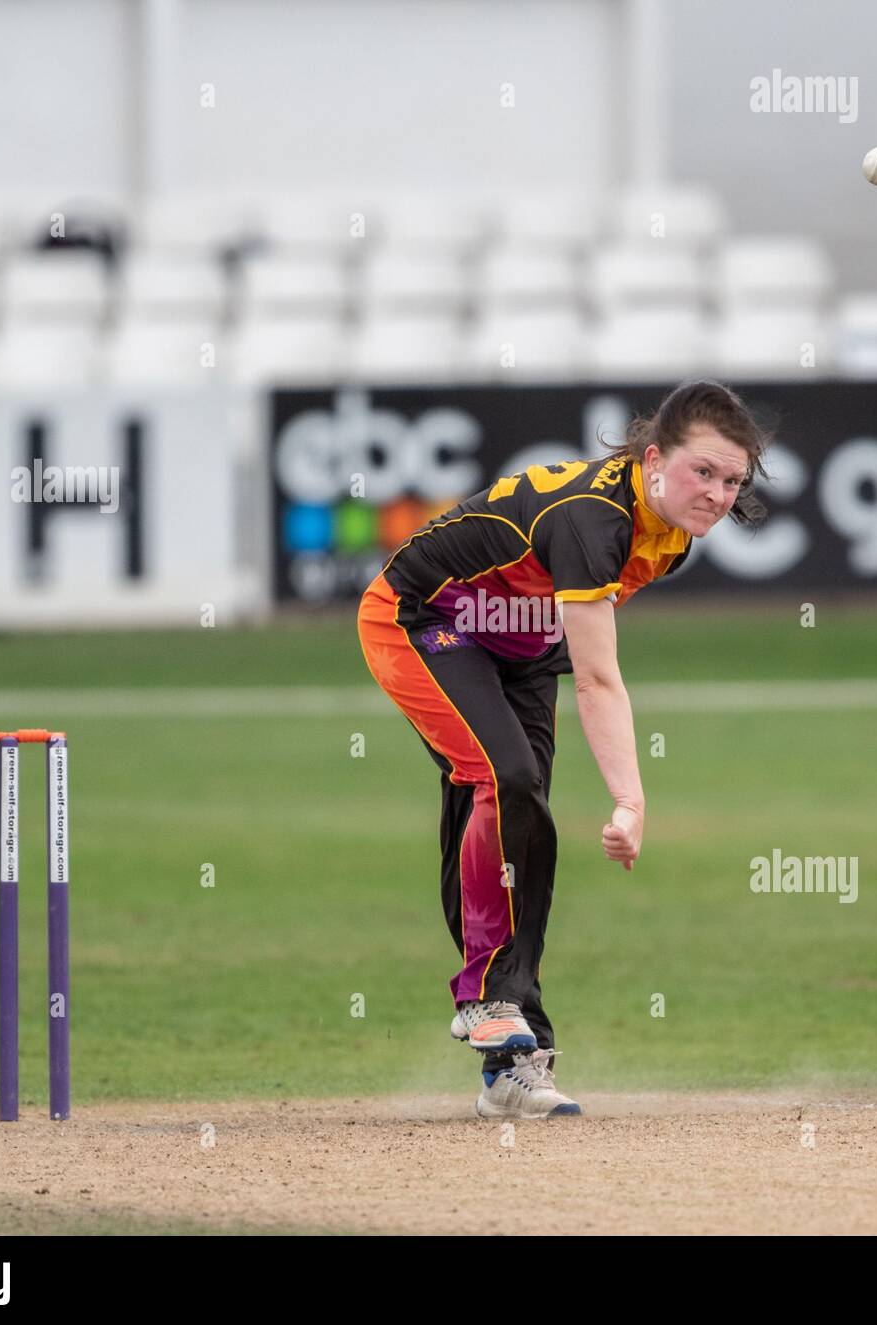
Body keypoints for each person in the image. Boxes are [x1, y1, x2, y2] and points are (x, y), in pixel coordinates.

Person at [356, 380, 770, 1119]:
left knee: (524, 821)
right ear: (652, 459)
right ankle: (487, 999)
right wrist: (631, 798)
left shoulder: (671, 537)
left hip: (517, 648)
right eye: (702, 471)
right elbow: (599, 681)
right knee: (501, 775)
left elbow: (564, 640)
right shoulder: (593, 520)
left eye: (732, 480)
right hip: (420, 619)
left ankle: (514, 1065)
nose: (716, 493)